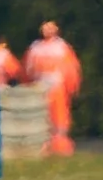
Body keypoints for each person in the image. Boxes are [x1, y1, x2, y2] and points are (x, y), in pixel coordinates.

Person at [23, 20, 83, 157]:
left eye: (51, 27)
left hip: (57, 88)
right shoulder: (35, 48)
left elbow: (71, 69)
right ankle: (41, 146)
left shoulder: (61, 47)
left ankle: (60, 146)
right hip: (39, 89)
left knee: (59, 119)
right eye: (45, 27)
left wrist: (71, 87)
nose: (47, 30)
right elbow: (27, 70)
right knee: (41, 117)